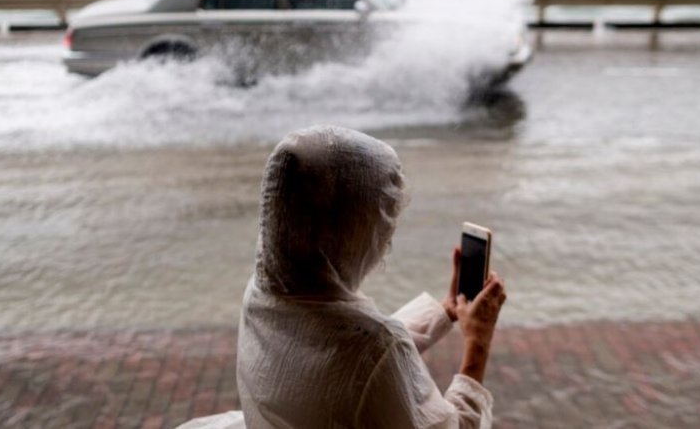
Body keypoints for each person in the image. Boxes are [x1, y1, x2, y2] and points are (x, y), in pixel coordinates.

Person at [177, 126, 507, 429]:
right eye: (382, 227)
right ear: (351, 230)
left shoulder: (264, 297)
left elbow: (342, 358)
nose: (385, 241)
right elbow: (368, 359)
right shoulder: (376, 349)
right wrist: (478, 344)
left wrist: (444, 311)